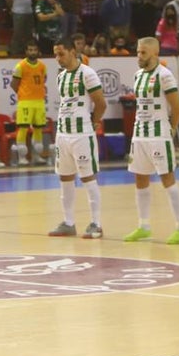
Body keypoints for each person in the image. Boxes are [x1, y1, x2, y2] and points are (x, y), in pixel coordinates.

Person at [123, 37, 179, 245]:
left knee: (167, 178)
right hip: (140, 134)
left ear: (155, 53)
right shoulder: (138, 75)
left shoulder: (165, 75)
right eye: (138, 52)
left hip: (159, 134)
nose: (139, 56)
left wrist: (171, 129)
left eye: (143, 53)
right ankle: (143, 226)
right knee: (140, 178)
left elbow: (177, 108)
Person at [47, 39, 107, 239]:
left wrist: (94, 122)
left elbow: (100, 103)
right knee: (65, 178)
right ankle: (68, 222)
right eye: (55, 54)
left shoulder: (87, 73)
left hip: (81, 134)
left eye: (61, 54)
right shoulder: (61, 76)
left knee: (87, 177)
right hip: (63, 134)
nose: (58, 58)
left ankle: (96, 224)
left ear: (72, 51)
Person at [11, 41, 47, 165]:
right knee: (23, 128)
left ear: (38, 51)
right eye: (30, 50)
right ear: (26, 51)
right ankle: (22, 158)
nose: (32, 52)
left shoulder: (42, 66)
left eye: (34, 50)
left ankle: (37, 156)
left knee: (38, 129)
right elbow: (14, 84)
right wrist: (24, 94)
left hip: (39, 102)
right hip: (25, 102)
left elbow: (43, 81)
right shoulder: (20, 66)